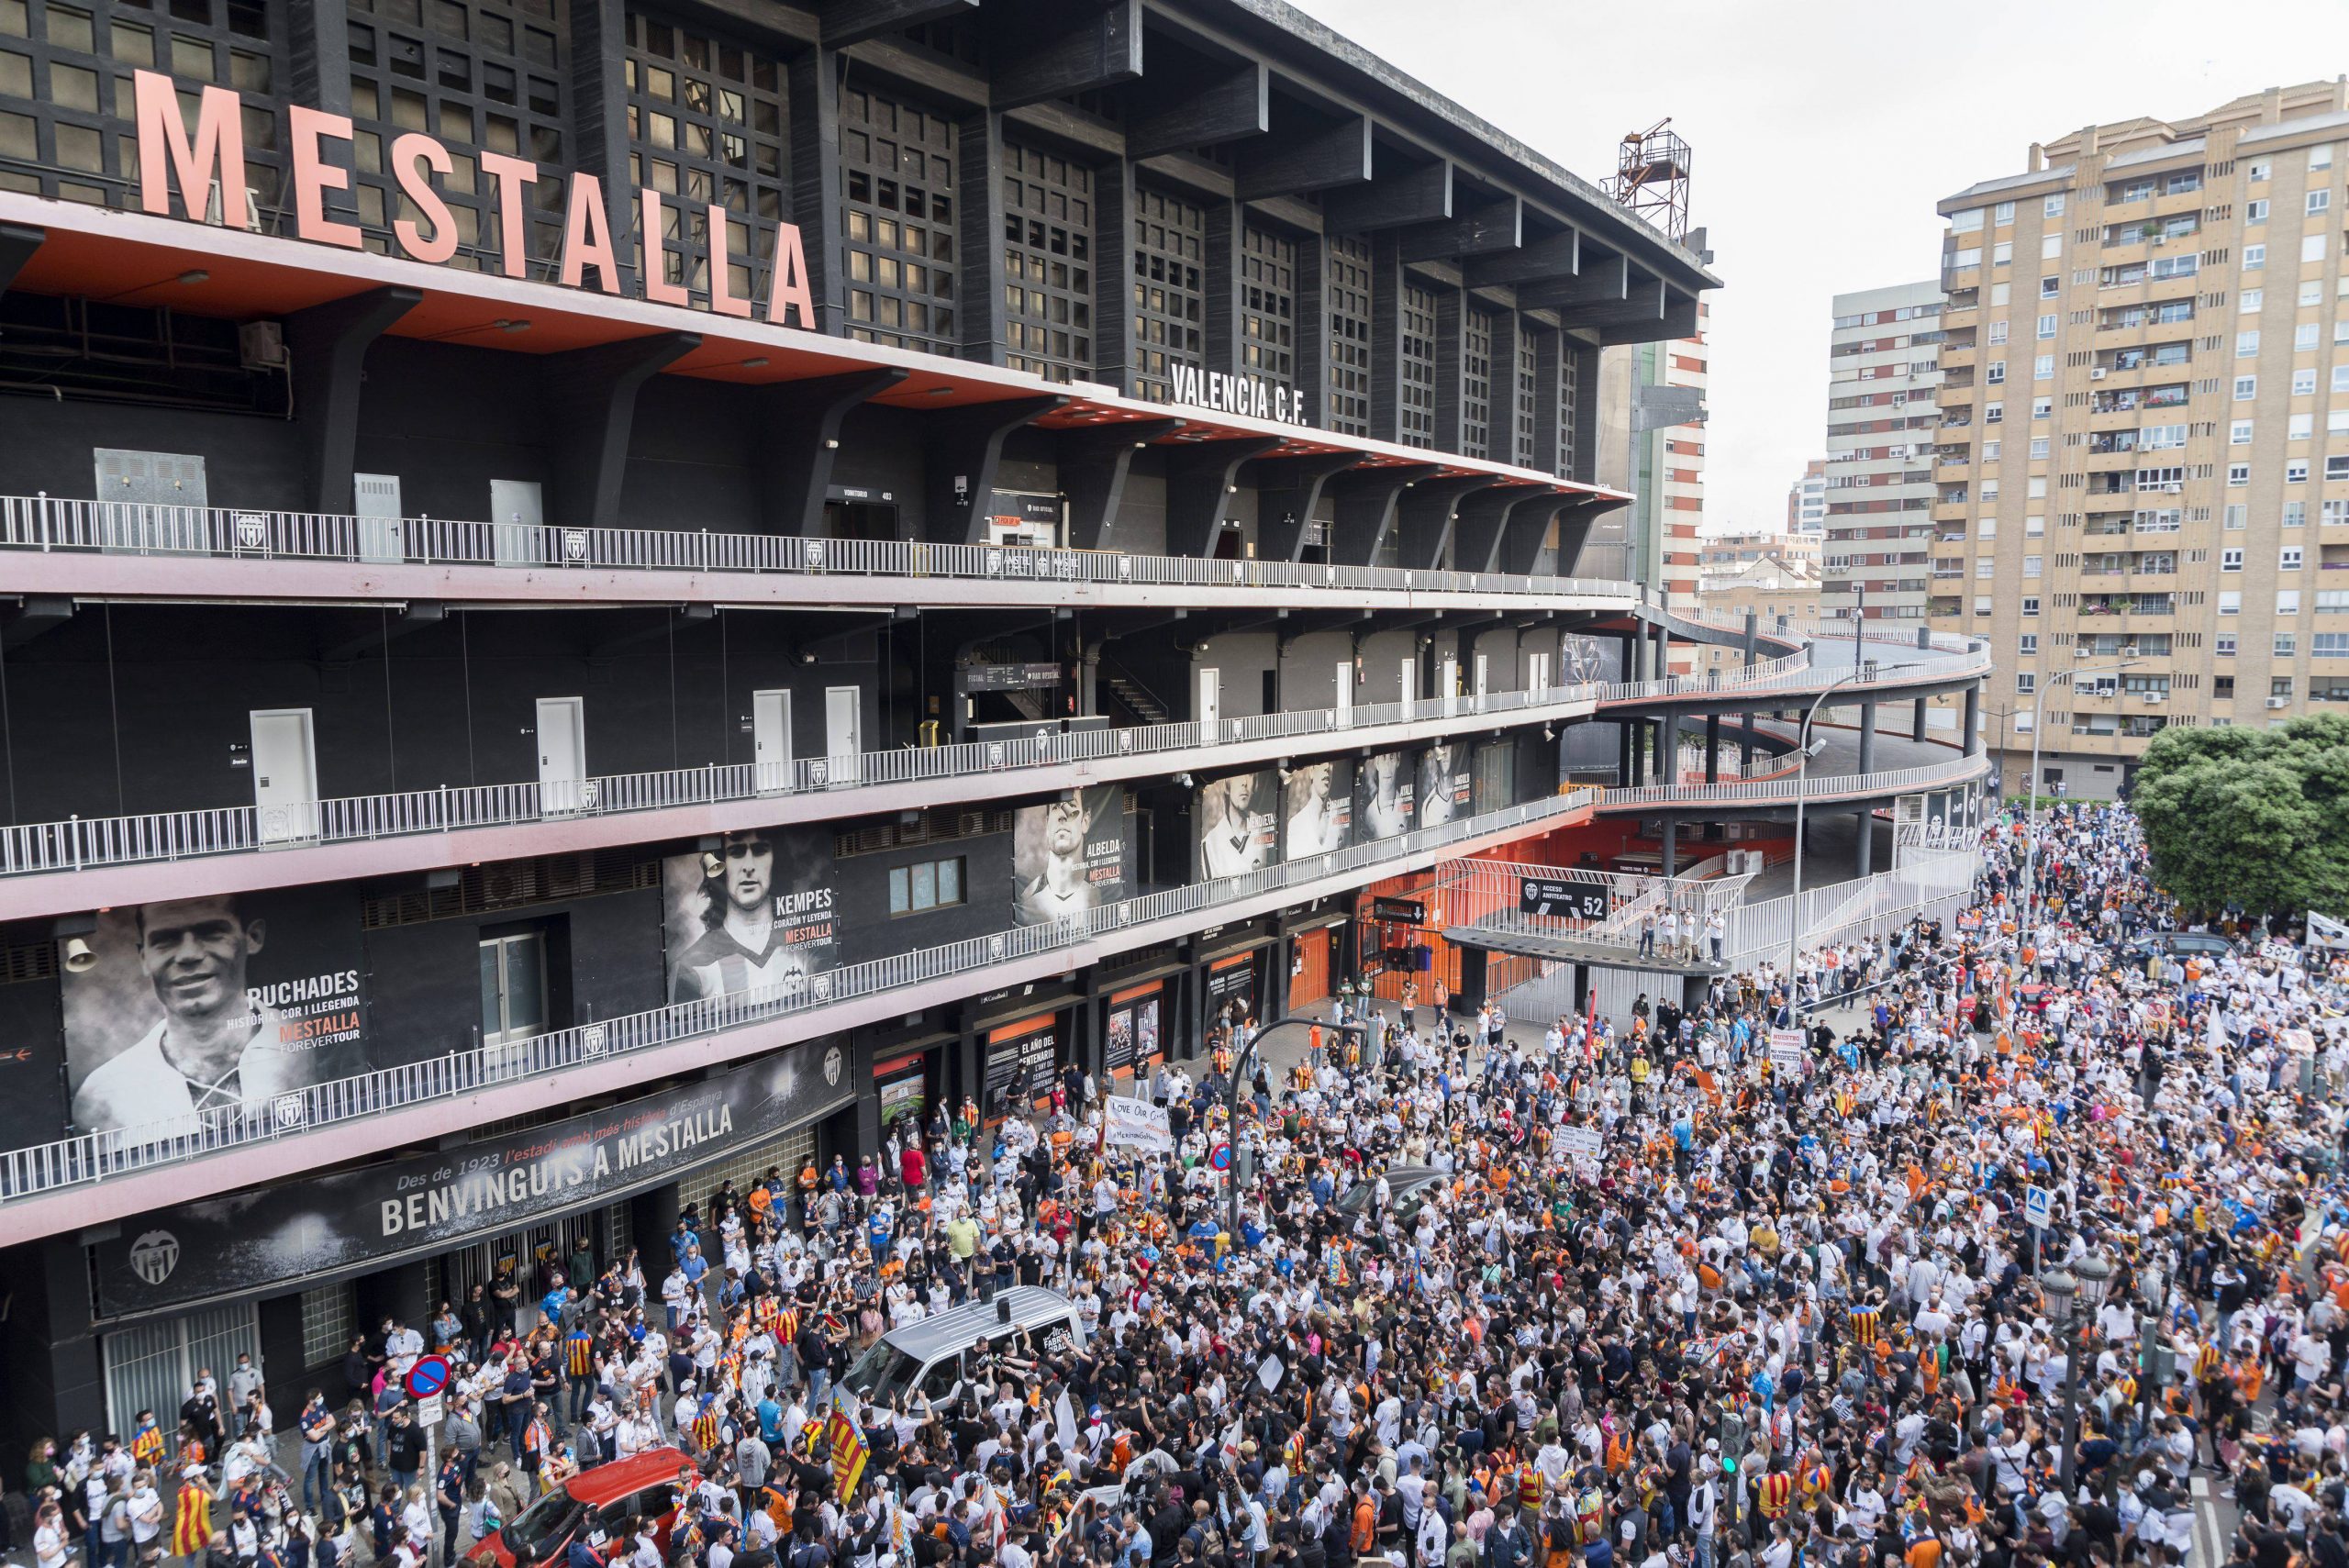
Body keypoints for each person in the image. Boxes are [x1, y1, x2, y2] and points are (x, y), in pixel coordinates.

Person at [72, 895, 345, 1129]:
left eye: (211, 932)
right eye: (165, 941)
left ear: (253, 937)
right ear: (144, 958)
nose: (188, 955)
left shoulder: (317, 1043)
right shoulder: (100, 1094)